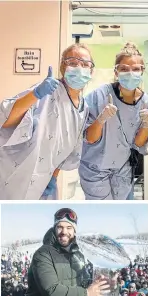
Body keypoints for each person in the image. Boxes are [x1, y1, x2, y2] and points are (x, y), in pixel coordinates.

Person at [0, 43, 94, 200]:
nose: (79, 68)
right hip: (14, 176)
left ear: (91, 70)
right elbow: (5, 121)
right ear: (63, 67)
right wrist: (36, 94)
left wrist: (53, 177)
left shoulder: (84, 109)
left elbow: (68, 151)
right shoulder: (47, 91)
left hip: (43, 182)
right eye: (72, 62)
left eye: (85, 64)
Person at [79, 42, 148, 200]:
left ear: (142, 71)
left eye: (135, 69)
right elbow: (89, 137)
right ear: (116, 72)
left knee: (122, 217)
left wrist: (146, 124)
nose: (130, 73)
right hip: (96, 169)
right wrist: (101, 119)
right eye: (124, 69)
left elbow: (140, 144)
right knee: (103, 219)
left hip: (123, 171)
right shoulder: (98, 96)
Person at [25, 208, 110, 296]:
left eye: (69, 228)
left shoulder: (78, 253)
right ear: (55, 229)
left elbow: (82, 283)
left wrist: (100, 285)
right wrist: (86, 293)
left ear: (74, 231)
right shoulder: (43, 254)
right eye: (60, 227)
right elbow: (52, 292)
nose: (64, 232)